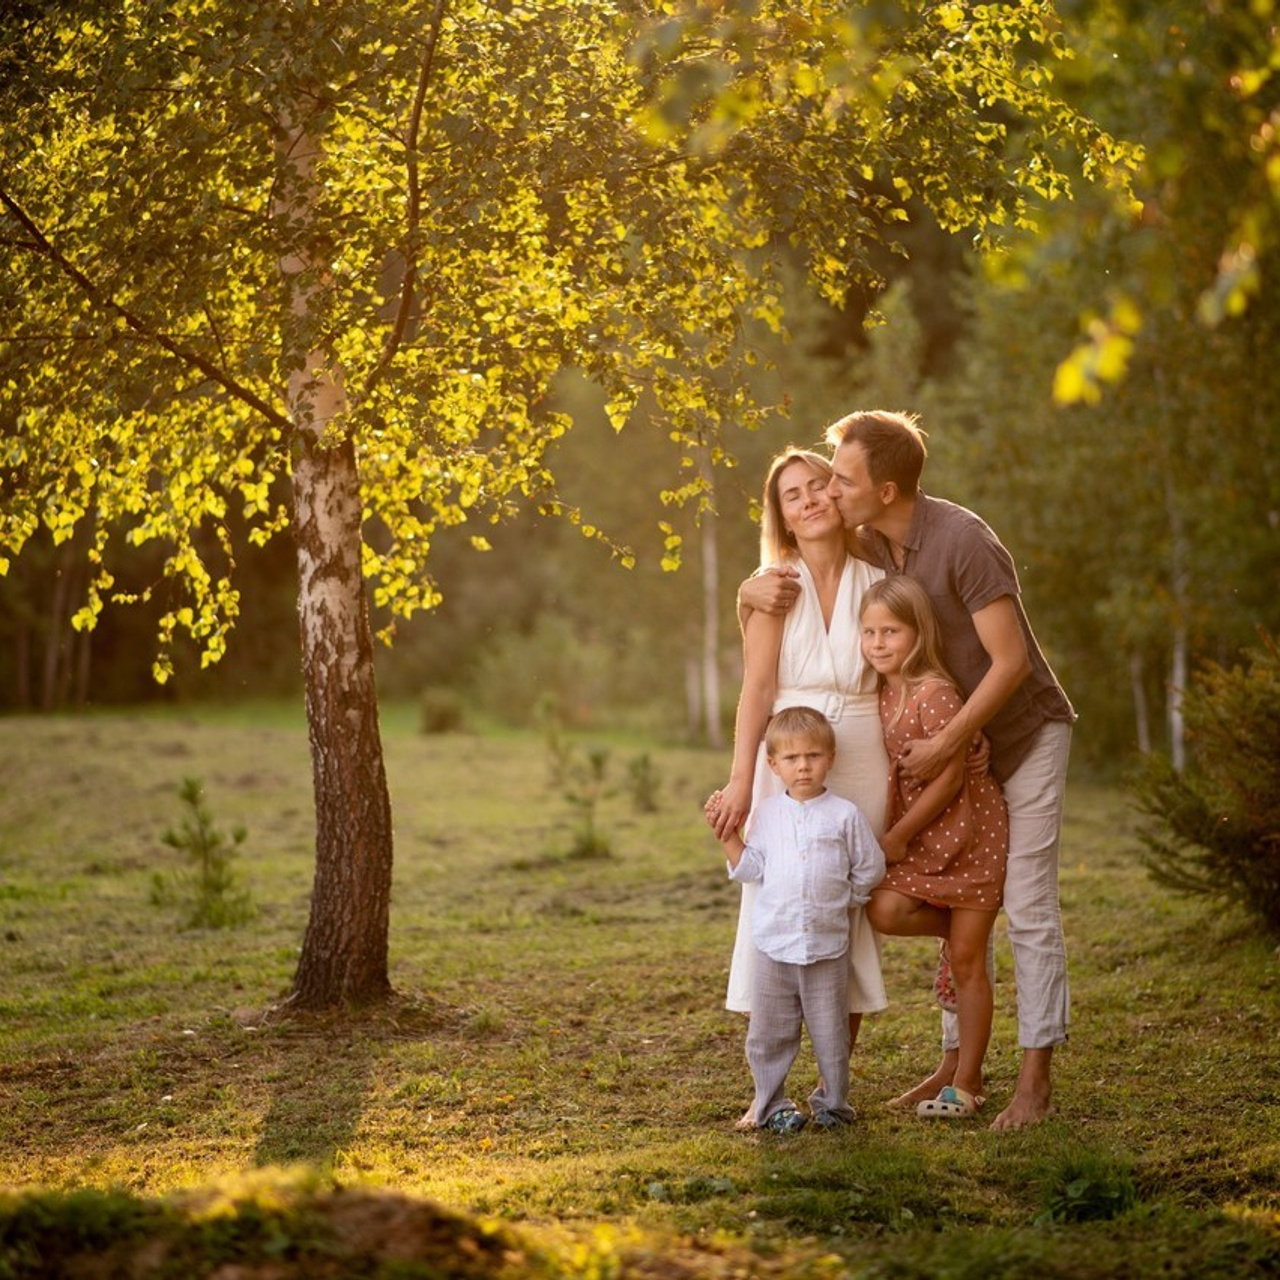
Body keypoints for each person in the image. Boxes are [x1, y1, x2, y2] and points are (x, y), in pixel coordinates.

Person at [738, 410, 1075, 1131]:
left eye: (843, 478)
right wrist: (746, 593)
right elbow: (799, 547)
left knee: (1030, 906)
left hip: (1018, 733)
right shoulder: (872, 538)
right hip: (950, 746)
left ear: (885, 489)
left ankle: (1034, 1080)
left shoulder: (962, 541)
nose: (829, 488)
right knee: (950, 906)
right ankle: (956, 1064)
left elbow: (1011, 662)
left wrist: (951, 739)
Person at [706, 448, 890, 1107]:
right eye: (792, 494)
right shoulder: (773, 585)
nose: (809, 499)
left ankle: (832, 1081)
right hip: (785, 748)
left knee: (846, 902)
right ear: (780, 514)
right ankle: (771, 1082)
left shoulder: (879, 577)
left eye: (819, 486)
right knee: (779, 893)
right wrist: (738, 779)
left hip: (863, 747)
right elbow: (756, 688)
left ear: (839, 497)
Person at [859, 575, 1008, 1119]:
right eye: (869, 631)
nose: (878, 643)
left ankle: (967, 1083)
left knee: (969, 964)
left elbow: (949, 781)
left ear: (918, 633)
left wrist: (897, 835)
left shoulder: (935, 693)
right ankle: (963, 931)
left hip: (969, 834)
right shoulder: (881, 693)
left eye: (891, 631)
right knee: (884, 908)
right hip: (929, 841)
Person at [710, 705, 885, 1133]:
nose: (803, 766)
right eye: (791, 758)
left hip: (827, 946)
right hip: (774, 946)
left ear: (831, 758)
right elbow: (752, 870)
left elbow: (870, 867)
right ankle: (771, 1106)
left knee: (831, 1036)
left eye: (813, 756)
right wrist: (727, 836)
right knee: (770, 1035)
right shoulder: (767, 815)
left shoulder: (844, 815)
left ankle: (833, 1105)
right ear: (773, 764)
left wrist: (849, 900)